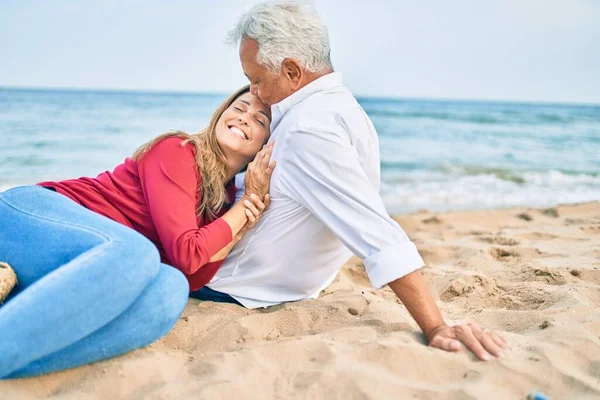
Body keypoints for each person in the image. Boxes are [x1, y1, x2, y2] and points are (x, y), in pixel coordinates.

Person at [202, 1, 507, 361]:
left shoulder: (308, 130)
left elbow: (376, 232)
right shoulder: (345, 111)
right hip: (281, 286)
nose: (252, 92)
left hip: (238, 288)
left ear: (292, 71)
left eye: (256, 80)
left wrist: (436, 326)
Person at [0, 86, 275, 379]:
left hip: (81, 266)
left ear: (265, 148)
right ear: (221, 113)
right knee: (139, 253)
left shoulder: (225, 202)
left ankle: (13, 358)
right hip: (30, 216)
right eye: (239, 107)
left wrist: (243, 218)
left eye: (260, 120)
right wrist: (247, 205)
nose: (245, 118)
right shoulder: (179, 150)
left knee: (170, 290)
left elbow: (193, 274)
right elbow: (189, 253)